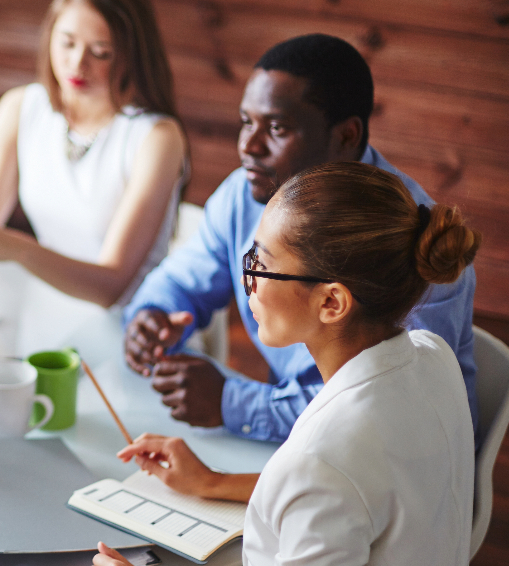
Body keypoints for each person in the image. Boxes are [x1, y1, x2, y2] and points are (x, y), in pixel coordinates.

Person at [97, 162, 478, 565]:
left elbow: (330, 481)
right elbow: (357, 494)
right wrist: (213, 482)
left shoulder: (322, 459)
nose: (250, 281)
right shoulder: (433, 355)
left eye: (262, 263)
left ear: (331, 302)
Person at [123, 34, 478, 442]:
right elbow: (183, 278)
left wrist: (233, 402)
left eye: (276, 127)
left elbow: (388, 414)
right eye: (245, 122)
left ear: (345, 136)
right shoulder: (245, 193)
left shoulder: (409, 241)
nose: (248, 146)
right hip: (310, 447)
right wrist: (151, 316)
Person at [0, 0, 188, 307]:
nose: (77, 64)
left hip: (137, 323)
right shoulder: (21, 108)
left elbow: (111, 287)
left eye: (101, 52)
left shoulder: (157, 138)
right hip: (52, 306)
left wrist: (16, 248)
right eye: (67, 43)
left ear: (131, 55)